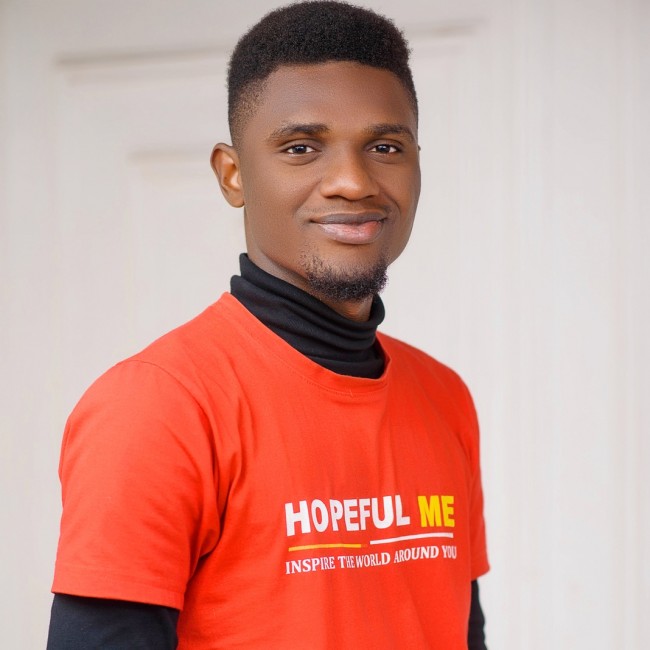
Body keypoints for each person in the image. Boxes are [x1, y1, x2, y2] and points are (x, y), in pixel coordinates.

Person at [47, 2, 489, 648]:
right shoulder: (157, 408)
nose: (352, 182)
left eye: (385, 147)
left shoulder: (444, 399)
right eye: (301, 148)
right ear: (233, 175)